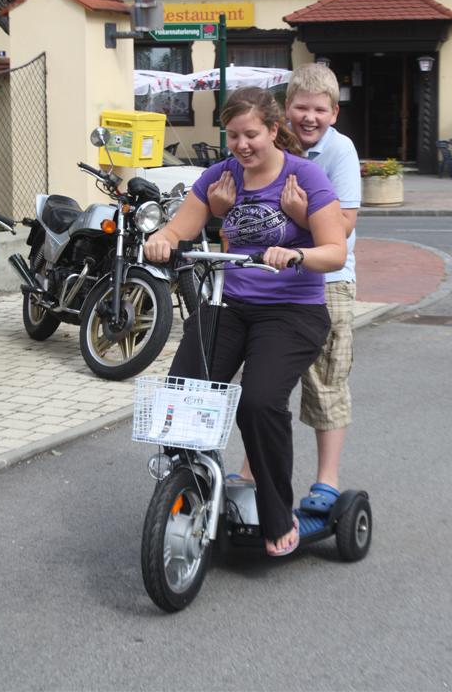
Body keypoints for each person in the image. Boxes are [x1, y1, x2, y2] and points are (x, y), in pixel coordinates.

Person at [144, 87, 346, 557]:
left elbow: (335, 251)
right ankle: (189, 485)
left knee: (257, 402)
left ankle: (278, 514)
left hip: (292, 312)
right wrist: (162, 237)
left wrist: (297, 253)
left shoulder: (306, 176)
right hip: (230, 304)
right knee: (185, 389)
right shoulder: (220, 176)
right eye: (233, 135)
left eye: (251, 134)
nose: (241, 145)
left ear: (273, 130)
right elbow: (180, 229)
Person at [209, 64, 361, 516]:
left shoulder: (339, 152)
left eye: (319, 109)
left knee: (324, 383)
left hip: (326, 281)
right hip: (264, 286)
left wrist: (297, 220)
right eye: (300, 107)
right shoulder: (261, 150)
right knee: (266, 385)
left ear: (333, 113)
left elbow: (345, 226)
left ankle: (327, 480)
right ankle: (254, 470)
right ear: (284, 112)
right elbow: (237, 226)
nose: (309, 117)